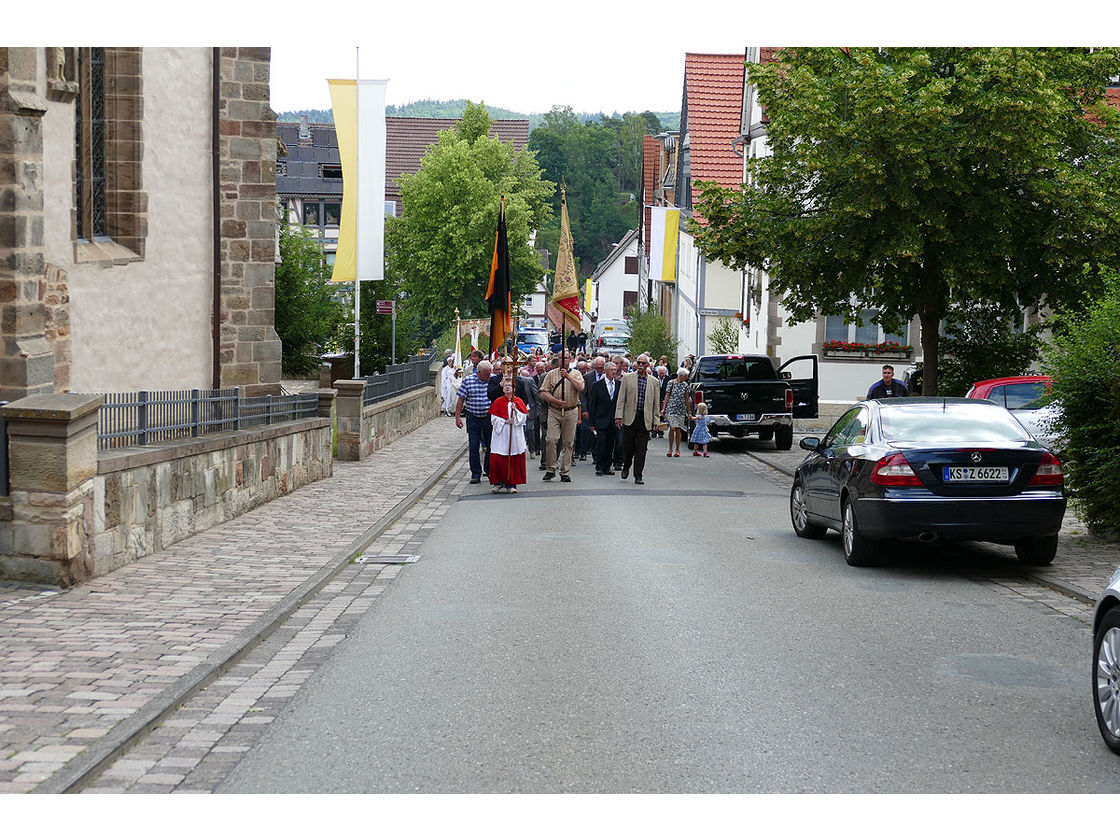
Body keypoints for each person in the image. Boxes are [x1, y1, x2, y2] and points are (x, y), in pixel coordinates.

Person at [539, 353, 585, 483]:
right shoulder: (551, 374)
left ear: (570, 360)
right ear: (557, 360)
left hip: (571, 411)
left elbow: (581, 387)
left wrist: (568, 377)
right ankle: (551, 468)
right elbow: (543, 392)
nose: (563, 360)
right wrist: (555, 401)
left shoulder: (576, 374)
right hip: (554, 410)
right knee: (551, 439)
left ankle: (565, 471)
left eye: (565, 358)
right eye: (560, 358)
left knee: (568, 442)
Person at [615, 355, 659, 485]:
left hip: (644, 419)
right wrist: (618, 416)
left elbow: (656, 403)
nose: (640, 365)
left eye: (643, 363)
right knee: (628, 447)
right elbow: (621, 399)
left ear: (648, 365)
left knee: (641, 449)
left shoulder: (653, 381)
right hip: (630, 418)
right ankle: (626, 465)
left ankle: (638, 475)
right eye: (638, 362)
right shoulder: (628, 378)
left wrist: (656, 420)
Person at [454, 360, 493, 484]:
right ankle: (476, 473)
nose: (488, 376)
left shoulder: (493, 380)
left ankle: (489, 469)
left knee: (491, 445)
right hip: (473, 417)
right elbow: (461, 399)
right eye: (486, 374)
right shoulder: (468, 381)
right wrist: (458, 417)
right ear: (479, 372)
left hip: (489, 417)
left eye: (489, 373)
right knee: (474, 445)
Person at [488, 378, 528, 494]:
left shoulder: (518, 401)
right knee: (498, 459)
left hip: (514, 433)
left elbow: (523, 418)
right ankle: (498, 482)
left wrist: (515, 412)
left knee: (513, 457)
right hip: (501, 434)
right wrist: (505, 421)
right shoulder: (498, 402)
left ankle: (511, 484)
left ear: (514, 388)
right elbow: (493, 419)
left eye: (510, 386)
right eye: (505, 386)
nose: (507, 387)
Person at [587, 361, 619, 475]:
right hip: (600, 419)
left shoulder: (619, 384)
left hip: (613, 420)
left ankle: (607, 466)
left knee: (610, 444)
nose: (613, 372)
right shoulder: (597, 385)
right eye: (611, 370)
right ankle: (599, 466)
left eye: (615, 370)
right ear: (606, 371)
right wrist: (591, 423)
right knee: (601, 443)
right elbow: (592, 404)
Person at [661, 367, 692, 457]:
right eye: (686, 376)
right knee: (673, 427)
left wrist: (689, 410)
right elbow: (667, 396)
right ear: (681, 375)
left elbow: (686, 398)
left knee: (678, 428)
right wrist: (664, 408)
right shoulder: (671, 383)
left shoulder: (685, 385)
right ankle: (670, 448)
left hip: (681, 409)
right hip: (671, 408)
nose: (687, 377)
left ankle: (677, 449)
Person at [519, 363, 541, 460]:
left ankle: (532, 450)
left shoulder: (529, 381)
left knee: (529, 429)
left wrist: (538, 408)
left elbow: (536, 394)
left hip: (529, 408)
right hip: (517, 409)